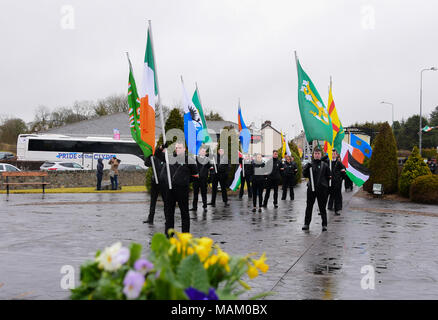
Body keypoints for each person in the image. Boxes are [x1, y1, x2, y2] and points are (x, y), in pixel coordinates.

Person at [156, 141, 199, 237]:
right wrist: (162, 147)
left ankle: (185, 236)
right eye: (176, 147)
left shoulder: (189, 160)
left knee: (185, 214)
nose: (177, 149)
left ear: (184, 149)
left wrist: (185, 181)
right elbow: (157, 154)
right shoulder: (170, 157)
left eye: (180, 147)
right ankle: (169, 236)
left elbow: (196, 175)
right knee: (169, 214)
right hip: (170, 190)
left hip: (182, 190)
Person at [302, 147, 331, 232]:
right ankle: (306, 224)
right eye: (315, 153)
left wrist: (326, 186)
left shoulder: (324, 165)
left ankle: (324, 225)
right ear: (313, 155)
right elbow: (305, 175)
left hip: (322, 190)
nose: (317, 155)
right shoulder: (310, 164)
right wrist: (307, 168)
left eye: (318, 154)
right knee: (309, 207)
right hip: (311, 189)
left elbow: (329, 176)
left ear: (320, 155)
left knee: (322, 208)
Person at [143, 144, 166, 224]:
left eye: (164, 149)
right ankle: (150, 218)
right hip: (155, 181)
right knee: (153, 201)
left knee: (166, 201)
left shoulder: (165, 157)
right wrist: (149, 156)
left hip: (163, 182)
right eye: (162, 149)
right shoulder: (154, 157)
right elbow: (146, 163)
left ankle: (167, 218)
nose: (163, 150)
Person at [191, 147, 211, 212]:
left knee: (204, 193)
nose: (203, 152)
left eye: (204, 151)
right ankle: (194, 207)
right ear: (199, 152)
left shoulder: (207, 160)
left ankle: (205, 206)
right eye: (202, 151)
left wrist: (211, 166)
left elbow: (210, 167)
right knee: (195, 193)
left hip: (203, 179)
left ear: (205, 153)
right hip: (196, 179)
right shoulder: (195, 159)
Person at [327, 150, 346, 216]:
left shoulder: (338, 163)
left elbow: (343, 169)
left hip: (336, 182)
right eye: (332, 154)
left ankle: (336, 210)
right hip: (329, 182)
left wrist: (340, 177)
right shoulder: (328, 161)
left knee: (336, 196)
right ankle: (327, 207)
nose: (333, 155)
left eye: (334, 154)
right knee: (327, 196)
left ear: (336, 155)